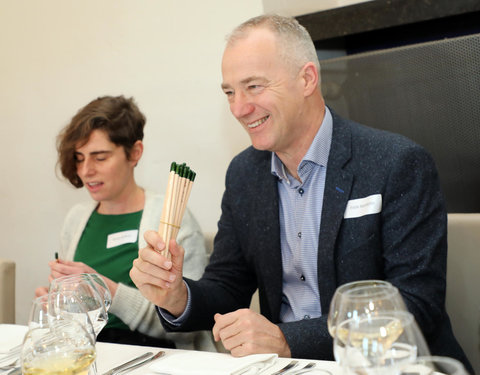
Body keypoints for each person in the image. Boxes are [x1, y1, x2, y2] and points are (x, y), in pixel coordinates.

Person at [129, 15, 473, 371]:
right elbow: (228, 285)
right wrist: (177, 296)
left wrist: (288, 339)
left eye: (254, 87)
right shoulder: (245, 174)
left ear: (307, 78)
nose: (238, 108)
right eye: (230, 92)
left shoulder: (396, 163)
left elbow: (416, 305)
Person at [35, 95, 215, 351]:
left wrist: (106, 290)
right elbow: (80, 316)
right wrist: (58, 306)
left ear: (135, 153)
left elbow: (188, 328)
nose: (86, 170)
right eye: (79, 158)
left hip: (155, 357)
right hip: (89, 353)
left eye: (100, 157)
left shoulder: (171, 218)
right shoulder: (76, 218)